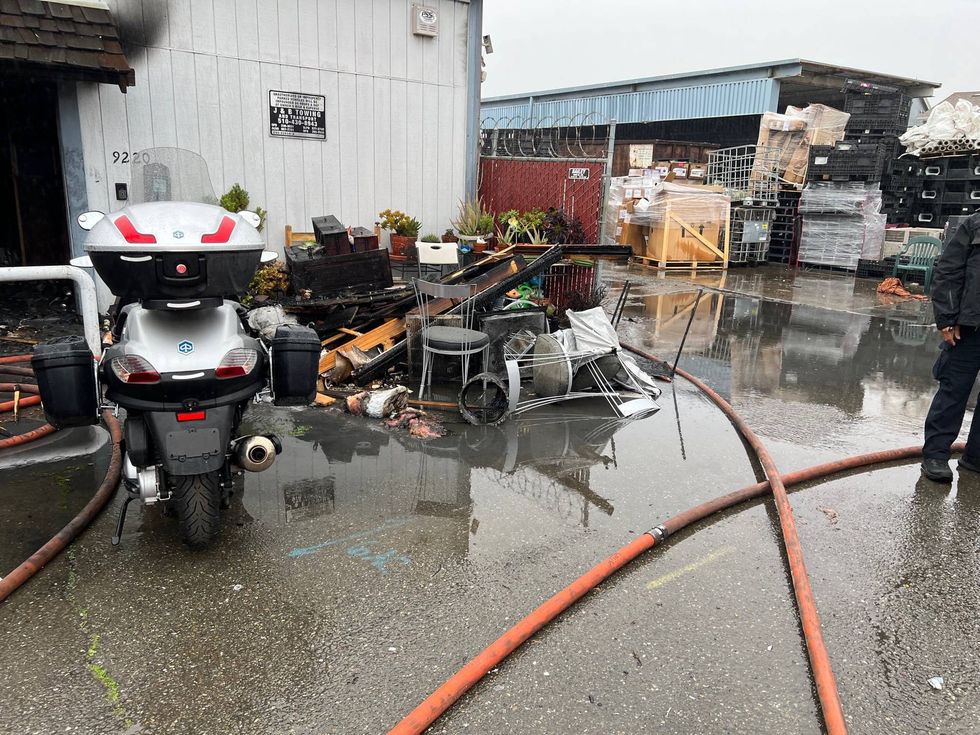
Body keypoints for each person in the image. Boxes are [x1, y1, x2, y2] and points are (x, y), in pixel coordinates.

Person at [922, 213, 980, 482]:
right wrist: (946, 319)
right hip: (968, 328)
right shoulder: (974, 225)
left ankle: (975, 457)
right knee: (953, 392)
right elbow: (948, 270)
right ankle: (935, 455)